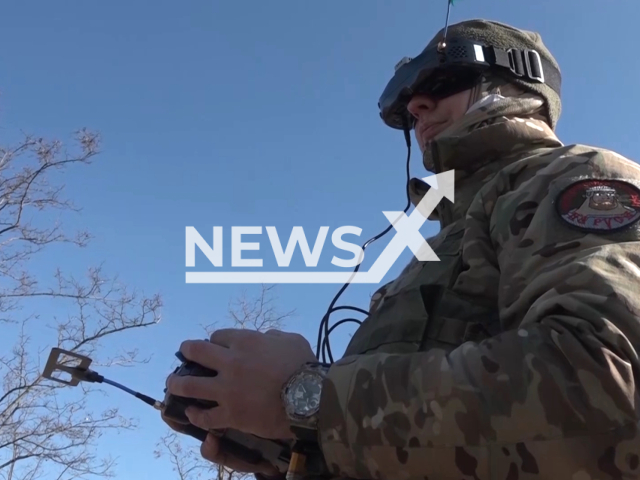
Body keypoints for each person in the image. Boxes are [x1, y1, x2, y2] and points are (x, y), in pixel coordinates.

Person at [163, 19, 640, 479]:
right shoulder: (436, 249)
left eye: (444, 78)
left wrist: (305, 400)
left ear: (517, 82)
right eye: (407, 99)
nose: (417, 107)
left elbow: (607, 384)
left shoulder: (574, 177)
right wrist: (286, 444)